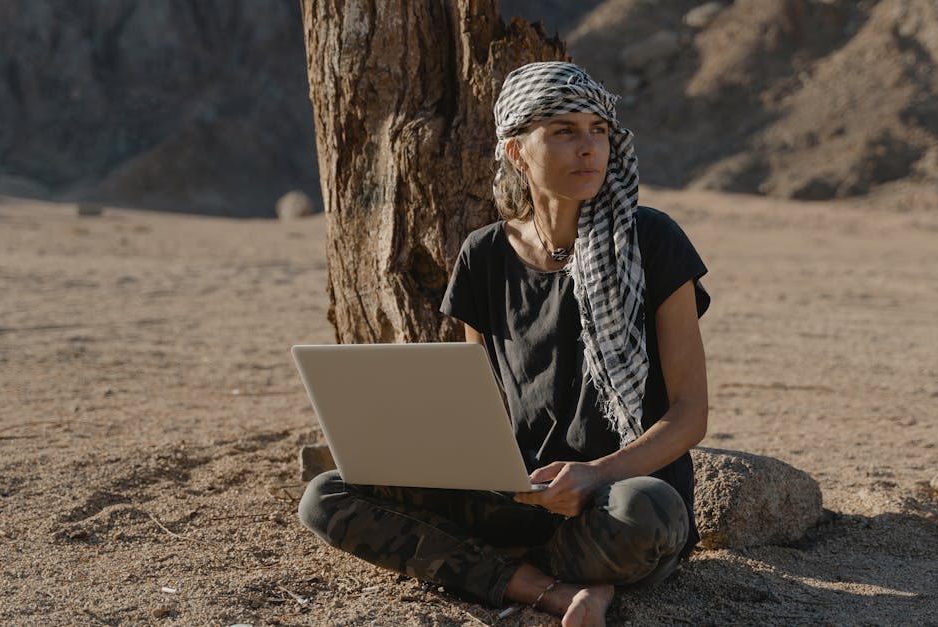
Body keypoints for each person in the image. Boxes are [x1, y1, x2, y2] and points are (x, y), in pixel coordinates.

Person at [298, 62, 709, 627]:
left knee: (648, 512)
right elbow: (480, 403)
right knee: (328, 495)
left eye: (598, 130)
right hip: (519, 495)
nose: (588, 147)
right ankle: (555, 588)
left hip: (614, 496)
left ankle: (495, 569)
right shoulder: (484, 255)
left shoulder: (653, 241)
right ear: (517, 151)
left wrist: (597, 473)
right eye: (563, 131)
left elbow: (689, 414)